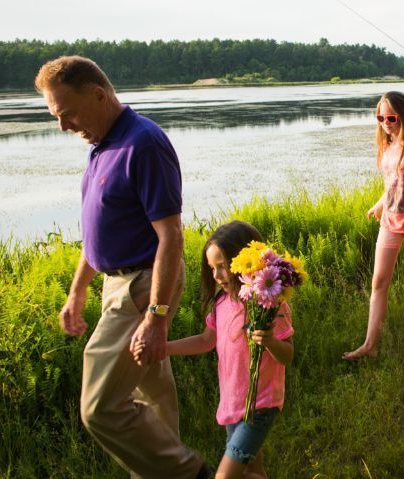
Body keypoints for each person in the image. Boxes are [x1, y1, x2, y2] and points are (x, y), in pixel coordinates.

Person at [37, 56, 208, 478]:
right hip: (118, 284)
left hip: (142, 285)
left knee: (99, 408)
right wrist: (78, 289)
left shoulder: (143, 143)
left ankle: (192, 474)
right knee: (153, 397)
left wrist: (156, 317)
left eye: (67, 113)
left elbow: (171, 236)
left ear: (98, 95)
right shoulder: (102, 147)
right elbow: (100, 231)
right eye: (56, 117)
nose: (63, 126)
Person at [164, 221, 294, 479]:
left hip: (260, 405)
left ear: (242, 261)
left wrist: (270, 341)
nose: (216, 275)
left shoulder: (268, 304)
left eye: (222, 266)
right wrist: (165, 348)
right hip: (233, 405)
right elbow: (205, 340)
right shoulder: (221, 303)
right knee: (252, 472)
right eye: (212, 268)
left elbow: (287, 355)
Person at [344, 92, 404, 360]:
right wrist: (379, 204)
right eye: (381, 118)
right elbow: (392, 184)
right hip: (390, 220)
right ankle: (370, 345)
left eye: (391, 118)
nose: (386, 123)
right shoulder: (386, 146)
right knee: (379, 281)